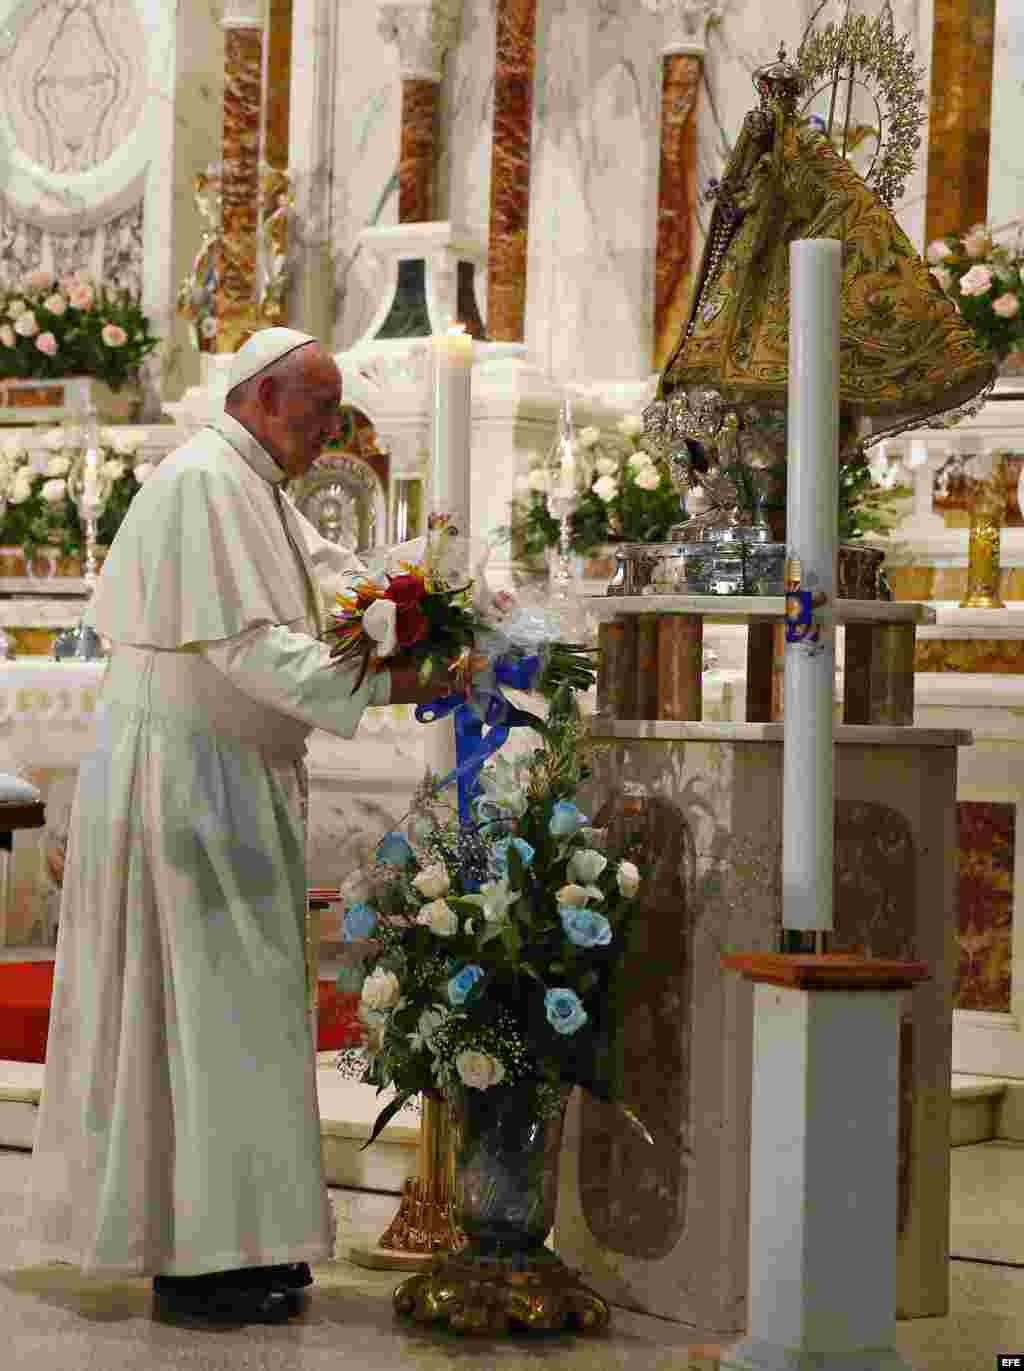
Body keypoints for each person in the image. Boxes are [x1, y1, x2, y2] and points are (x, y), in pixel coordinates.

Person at [19, 328, 448, 1327]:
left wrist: (423, 602)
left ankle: (249, 1239)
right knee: (203, 1022)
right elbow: (255, 649)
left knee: (243, 1022)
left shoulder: (252, 484)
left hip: (228, 778)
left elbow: (334, 578)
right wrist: (396, 678)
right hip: (189, 787)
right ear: (262, 397)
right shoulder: (210, 482)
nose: (333, 430)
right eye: (319, 409)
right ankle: (195, 1261)